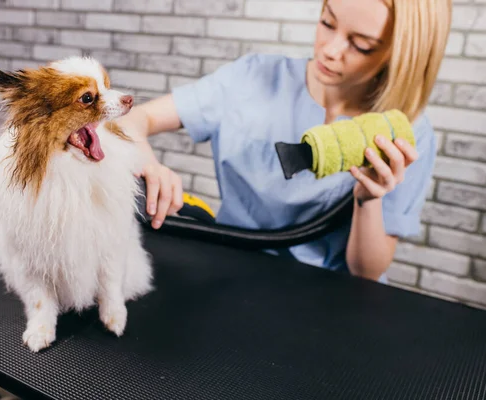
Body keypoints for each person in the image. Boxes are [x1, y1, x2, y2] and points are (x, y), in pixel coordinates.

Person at [116, 0, 452, 282]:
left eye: (361, 44)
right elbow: (135, 119)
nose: (330, 50)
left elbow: (366, 271)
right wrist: (146, 163)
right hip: (231, 271)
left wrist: (369, 199)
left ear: (401, 54)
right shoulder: (253, 77)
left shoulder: (407, 134)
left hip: (327, 297)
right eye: (327, 22)